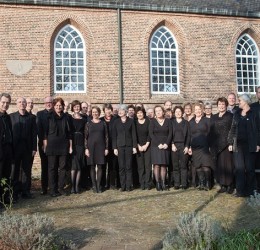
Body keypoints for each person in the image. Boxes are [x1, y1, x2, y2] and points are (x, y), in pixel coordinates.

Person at [228, 94, 260, 197]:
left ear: (246, 101)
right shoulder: (236, 113)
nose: (238, 102)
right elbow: (232, 128)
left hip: (250, 146)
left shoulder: (254, 113)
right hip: (238, 146)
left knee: (250, 169)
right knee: (239, 169)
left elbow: (258, 130)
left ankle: (251, 191)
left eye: (240, 100)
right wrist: (230, 142)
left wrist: (258, 144)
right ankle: (240, 191)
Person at [43, 97, 73, 197]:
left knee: (63, 168)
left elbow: (69, 133)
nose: (58, 107)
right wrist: (45, 145)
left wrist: (70, 146)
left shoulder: (67, 117)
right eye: (56, 105)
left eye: (60, 105)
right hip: (51, 146)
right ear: (54, 106)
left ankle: (61, 188)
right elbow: (45, 133)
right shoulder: (48, 117)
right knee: (52, 168)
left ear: (63, 106)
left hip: (64, 145)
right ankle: (52, 189)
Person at [10, 97, 37, 200]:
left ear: (26, 104)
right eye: (19, 102)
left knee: (27, 170)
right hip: (15, 148)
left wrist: (34, 148)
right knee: (15, 170)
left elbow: (34, 134)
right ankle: (15, 193)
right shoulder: (11, 117)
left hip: (27, 148)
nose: (22, 104)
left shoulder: (32, 118)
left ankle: (26, 191)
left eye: (23, 102)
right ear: (17, 104)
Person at [209, 97, 234, 194]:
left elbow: (232, 130)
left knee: (228, 166)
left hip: (227, 145)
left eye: (223, 104)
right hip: (215, 145)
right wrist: (210, 144)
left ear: (226, 105)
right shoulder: (214, 117)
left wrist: (231, 142)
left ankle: (230, 185)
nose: (221, 106)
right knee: (219, 166)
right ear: (217, 105)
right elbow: (211, 131)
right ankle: (223, 185)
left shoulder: (230, 116)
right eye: (219, 104)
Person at [112, 104, 137, 191]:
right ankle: (123, 186)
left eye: (122, 110)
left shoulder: (131, 121)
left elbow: (134, 134)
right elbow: (114, 136)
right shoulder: (116, 122)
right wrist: (114, 148)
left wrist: (134, 147)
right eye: (119, 110)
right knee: (121, 167)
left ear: (126, 112)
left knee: (129, 167)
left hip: (129, 146)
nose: (120, 111)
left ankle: (128, 186)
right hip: (120, 147)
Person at [189, 103, 213, 191]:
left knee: (206, 165)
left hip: (205, 147)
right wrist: (189, 147)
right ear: (193, 111)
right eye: (196, 109)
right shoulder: (191, 121)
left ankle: (207, 183)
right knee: (198, 166)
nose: (197, 111)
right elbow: (189, 135)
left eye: (199, 109)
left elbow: (210, 133)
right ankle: (201, 183)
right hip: (195, 147)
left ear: (202, 110)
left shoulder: (207, 120)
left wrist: (210, 145)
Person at [85, 106, 108, 193]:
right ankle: (94, 185)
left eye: (96, 112)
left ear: (99, 113)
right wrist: (86, 148)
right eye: (93, 112)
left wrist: (106, 148)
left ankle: (99, 185)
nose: (95, 113)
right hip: (91, 147)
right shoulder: (88, 124)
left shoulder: (103, 123)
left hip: (101, 147)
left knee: (100, 166)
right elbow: (85, 137)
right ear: (91, 113)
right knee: (92, 166)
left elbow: (106, 136)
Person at [149, 105, 172, 191]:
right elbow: (151, 134)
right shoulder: (152, 122)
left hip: (166, 146)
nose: (158, 112)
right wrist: (158, 144)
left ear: (163, 112)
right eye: (156, 111)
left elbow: (170, 133)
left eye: (160, 110)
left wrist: (167, 143)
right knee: (157, 165)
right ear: (155, 113)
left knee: (163, 165)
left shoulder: (168, 121)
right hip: (156, 146)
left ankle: (163, 183)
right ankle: (158, 184)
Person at [36, 96, 53, 195]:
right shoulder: (40, 114)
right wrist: (43, 142)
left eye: (50, 102)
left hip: (54, 144)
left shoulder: (55, 114)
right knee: (44, 166)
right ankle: (44, 188)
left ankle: (52, 187)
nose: (48, 103)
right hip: (43, 144)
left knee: (53, 166)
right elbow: (39, 129)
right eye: (47, 102)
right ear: (44, 103)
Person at [171, 106, 190, 189]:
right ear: (174, 113)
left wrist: (187, 146)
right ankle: (177, 183)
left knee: (183, 165)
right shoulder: (171, 122)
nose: (178, 113)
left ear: (182, 113)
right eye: (176, 111)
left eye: (179, 111)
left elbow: (189, 135)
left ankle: (184, 183)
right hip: (174, 145)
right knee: (175, 166)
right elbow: (169, 135)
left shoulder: (186, 123)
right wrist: (172, 144)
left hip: (183, 145)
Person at [101, 103, 119, 190]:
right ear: (103, 110)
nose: (108, 111)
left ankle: (112, 183)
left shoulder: (116, 120)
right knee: (103, 166)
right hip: (103, 147)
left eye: (109, 109)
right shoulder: (101, 120)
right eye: (106, 109)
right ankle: (104, 183)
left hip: (113, 146)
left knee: (113, 166)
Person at [70, 100, 87, 194]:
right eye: (75, 106)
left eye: (78, 106)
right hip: (73, 143)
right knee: (73, 166)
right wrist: (70, 145)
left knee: (79, 166)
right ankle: (72, 186)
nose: (76, 108)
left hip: (80, 143)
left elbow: (85, 133)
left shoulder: (83, 119)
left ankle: (77, 187)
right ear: (72, 108)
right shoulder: (70, 118)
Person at [0, 93, 13, 204]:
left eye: (7, 103)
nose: (5, 105)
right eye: (3, 102)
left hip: (8, 149)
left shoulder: (8, 117)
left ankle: (5, 198)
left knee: (6, 174)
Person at [135, 106, 152, 190]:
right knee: (141, 166)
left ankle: (148, 183)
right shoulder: (134, 123)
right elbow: (134, 136)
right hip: (138, 147)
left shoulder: (148, 121)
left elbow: (150, 134)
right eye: (138, 113)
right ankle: (142, 183)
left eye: (141, 113)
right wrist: (138, 146)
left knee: (148, 166)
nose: (139, 114)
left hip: (147, 146)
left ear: (143, 113)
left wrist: (146, 145)